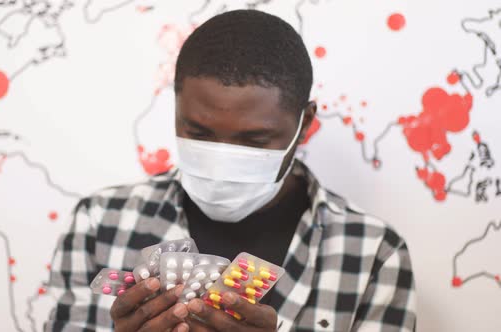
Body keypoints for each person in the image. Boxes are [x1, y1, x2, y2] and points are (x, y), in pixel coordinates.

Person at [44, 9, 416, 332]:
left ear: (304, 124)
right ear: (176, 110)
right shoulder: (99, 222)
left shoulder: (373, 252)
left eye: (254, 141)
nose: (222, 161)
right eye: (199, 133)